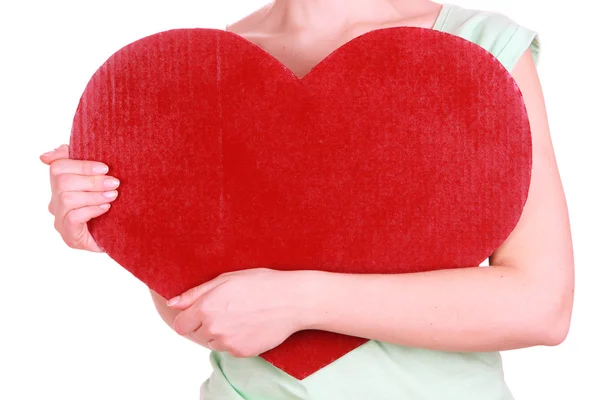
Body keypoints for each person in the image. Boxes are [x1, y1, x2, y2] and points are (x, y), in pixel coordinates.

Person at [40, 1, 574, 399]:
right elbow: (212, 313)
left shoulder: (476, 48)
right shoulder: (194, 70)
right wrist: (119, 226)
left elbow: (541, 307)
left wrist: (302, 302)